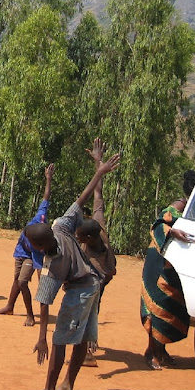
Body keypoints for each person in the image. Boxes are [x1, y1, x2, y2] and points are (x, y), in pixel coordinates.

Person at [24, 149, 120, 390]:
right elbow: (82, 199)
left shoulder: (52, 264)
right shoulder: (61, 227)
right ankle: (67, 385)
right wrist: (98, 170)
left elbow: (44, 304)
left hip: (80, 292)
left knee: (60, 341)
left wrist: (43, 337)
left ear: (39, 246)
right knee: (81, 339)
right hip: (93, 285)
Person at [140, 169, 195, 370]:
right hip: (159, 263)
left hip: (176, 266)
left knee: (173, 308)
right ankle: (151, 352)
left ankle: (161, 351)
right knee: (158, 305)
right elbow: (157, 226)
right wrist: (172, 231)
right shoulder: (177, 207)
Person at [0, 164, 55, 326]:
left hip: (28, 255)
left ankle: (30, 316)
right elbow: (46, 197)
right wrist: (48, 178)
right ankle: (10, 306)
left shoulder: (38, 246)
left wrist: (44, 282)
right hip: (21, 251)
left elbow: (39, 266)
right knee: (16, 279)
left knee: (22, 282)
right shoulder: (40, 217)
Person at [74, 139, 117, 367]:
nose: (77, 238)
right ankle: (89, 345)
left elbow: (103, 275)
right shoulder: (96, 223)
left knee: (91, 308)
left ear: (88, 240)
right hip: (101, 275)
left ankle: (89, 351)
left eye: (80, 237)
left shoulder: (97, 260)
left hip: (100, 277)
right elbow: (98, 194)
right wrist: (98, 162)